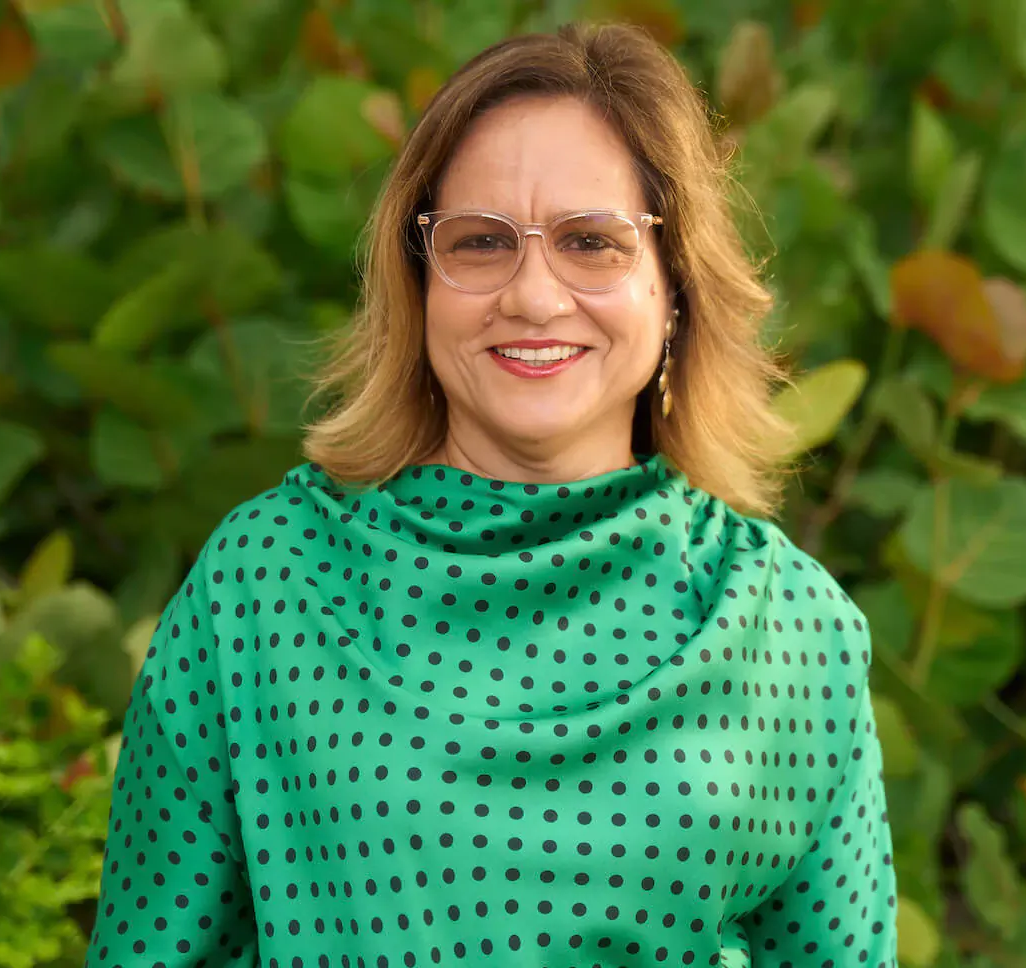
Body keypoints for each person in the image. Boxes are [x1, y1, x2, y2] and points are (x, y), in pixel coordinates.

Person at [86, 21, 898, 968]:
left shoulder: (791, 624)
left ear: (674, 286)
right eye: (480, 242)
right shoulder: (263, 584)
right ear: (418, 275)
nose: (533, 296)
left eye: (592, 242)